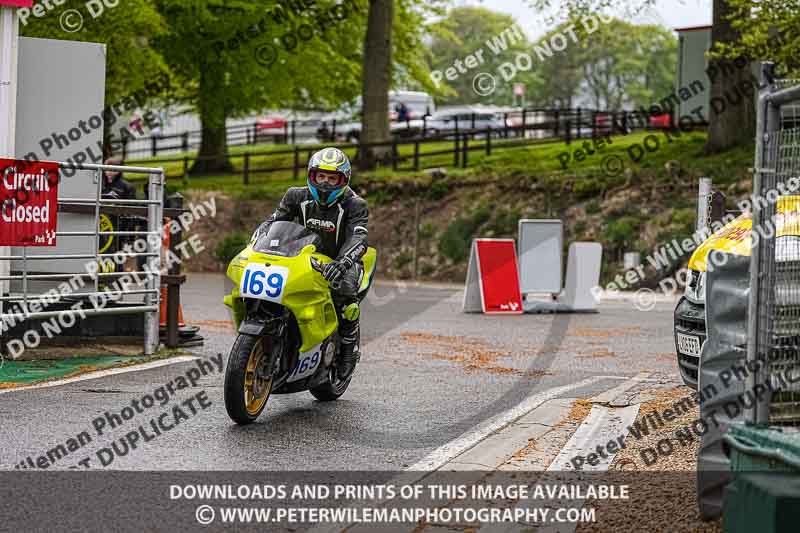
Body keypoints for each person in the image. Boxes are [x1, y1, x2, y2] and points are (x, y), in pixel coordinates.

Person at [258, 147, 369, 378]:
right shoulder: (295, 196)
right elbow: (273, 222)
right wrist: (256, 243)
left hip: (341, 262)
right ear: (311, 175)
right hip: (302, 257)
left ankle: (348, 347)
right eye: (321, 176)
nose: (326, 183)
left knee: (346, 296)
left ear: (343, 179)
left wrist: (343, 262)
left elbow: (359, 237)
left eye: (332, 178)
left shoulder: (355, 205)